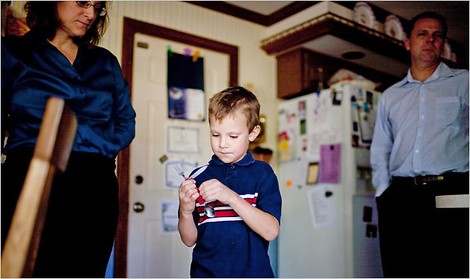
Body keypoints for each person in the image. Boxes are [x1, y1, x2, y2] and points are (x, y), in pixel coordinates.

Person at [1, 1, 136, 277]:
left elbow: (125, 124)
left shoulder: (105, 61)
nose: (90, 13)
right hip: (28, 178)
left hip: (93, 187)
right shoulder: (14, 53)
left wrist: (77, 137)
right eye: (82, 2)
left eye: (97, 7)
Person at [371, 11, 468, 278]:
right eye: (422, 34)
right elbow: (381, 147)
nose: (430, 40)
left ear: (443, 43)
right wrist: (383, 192)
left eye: (437, 35)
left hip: (452, 190)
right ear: (407, 42)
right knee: (401, 269)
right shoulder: (391, 96)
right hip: (400, 198)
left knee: (452, 268)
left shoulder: (464, 83)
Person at [178, 86, 282, 278]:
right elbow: (189, 239)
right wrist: (185, 210)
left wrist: (231, 197)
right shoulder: (198, 176)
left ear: (253, 133)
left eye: (233, 136)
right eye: (215, 134)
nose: (222, 144)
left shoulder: (262, 173)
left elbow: (270, 231)